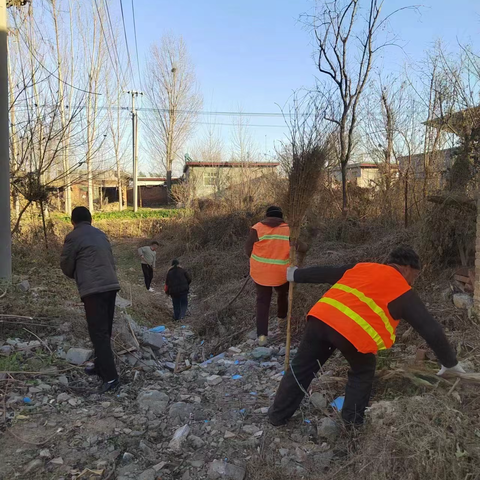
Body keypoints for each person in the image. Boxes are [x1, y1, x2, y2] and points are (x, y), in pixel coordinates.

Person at [268, 246, 465, 427]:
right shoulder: (402, 289)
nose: (414, 280)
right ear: (406, 268)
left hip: (321, 319)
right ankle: (351, 427)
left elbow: (327, 272)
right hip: (352, 334)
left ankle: (277, 417)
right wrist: (450, 363)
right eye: (415, 274)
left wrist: (295, 274)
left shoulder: (363, 267)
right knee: (362, 372)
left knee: (301, 367)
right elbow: (430, 329)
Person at [60, 206, 120, 394]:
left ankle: (111, 378)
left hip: (93, 290)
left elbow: (66, 265)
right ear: (90, 219)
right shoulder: (101, 234)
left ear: (73, 221)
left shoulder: (73, 236)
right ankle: (99, 366)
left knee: (98, 333)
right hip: (111, 286)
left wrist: (79, 274)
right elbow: (110, 260)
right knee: (105, 331)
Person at [245, 206, 306, 347]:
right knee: (283, 295)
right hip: (281, 272)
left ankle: (262, 337)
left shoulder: (257, 228)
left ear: (266, 216)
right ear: (281, 216)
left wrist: (256, 259)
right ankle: (281, 320)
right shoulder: (289, 229)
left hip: (260, 272)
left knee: (262, 302)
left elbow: (248, 249)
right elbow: (301, 247)